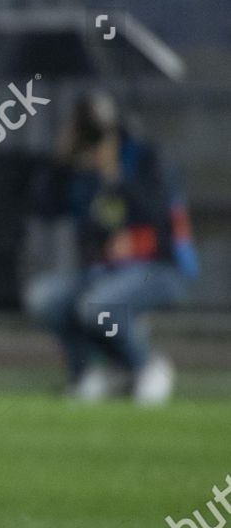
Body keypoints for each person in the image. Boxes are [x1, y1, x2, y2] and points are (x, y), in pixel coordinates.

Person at [23, 92, 198, 405]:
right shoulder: (80, 171)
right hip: (103, 273)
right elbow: (42, 207)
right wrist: (61, 162)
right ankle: (88, 372)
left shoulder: (145, 158)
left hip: (158, 267)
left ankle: (145, 366)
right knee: (45, 297)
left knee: (98, 307)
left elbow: (159, 210)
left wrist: (115, 175)